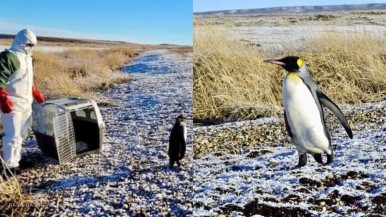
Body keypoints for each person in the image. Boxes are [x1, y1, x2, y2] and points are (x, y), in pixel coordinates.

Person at [0, 29, 45, 176]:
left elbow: (25, 80)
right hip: (12, 104)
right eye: (28, 44)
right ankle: (9, 168)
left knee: (21, 134)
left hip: (26, 103)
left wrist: (34, 92)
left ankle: (15, 160)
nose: (30, 47)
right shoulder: (9, 57)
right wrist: (3, 98)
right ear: (20, 41)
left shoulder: (28, 58)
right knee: (12, 136)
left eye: (33, 45)